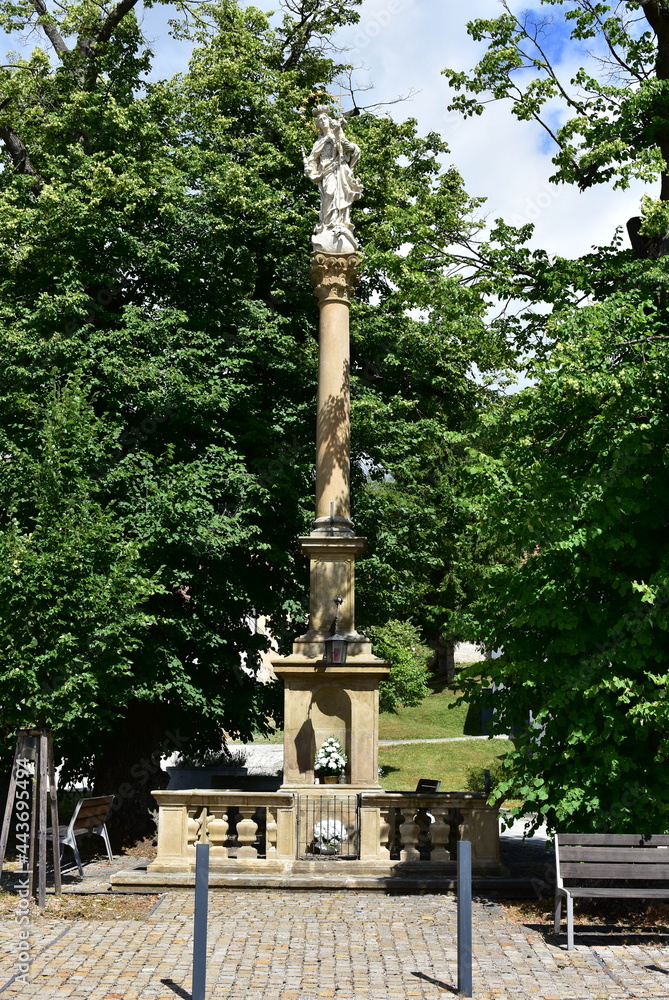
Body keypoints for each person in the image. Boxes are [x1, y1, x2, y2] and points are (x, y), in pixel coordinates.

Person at [303, 105, 363, 241]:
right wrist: (310, 170)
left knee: (340, 195)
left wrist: (351, 147)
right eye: (320, 120)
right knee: (329, 193)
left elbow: (353, 150)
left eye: (324, 118)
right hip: (326, 171)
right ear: (318, 124)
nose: (323, 121)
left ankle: (339, 222)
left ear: (328, 119)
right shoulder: (319, 142)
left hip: (339, 170)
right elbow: (312, 159)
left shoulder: (338, 133)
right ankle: (327, 223)